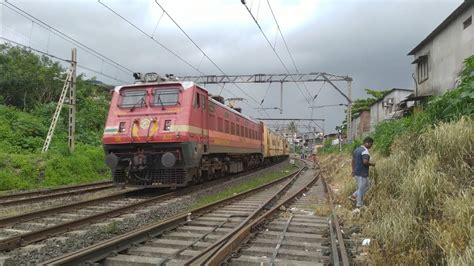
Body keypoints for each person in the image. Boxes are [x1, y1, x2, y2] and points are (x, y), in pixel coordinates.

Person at [349, 137, 375, 209]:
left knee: (367, 186)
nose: (371, 146)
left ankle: (354, 195)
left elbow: (353, 161)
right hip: (362, 173)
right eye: (371, 144)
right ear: (367, 143)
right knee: (361, 188)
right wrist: (372, 164)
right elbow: (365, 162)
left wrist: (353, 170)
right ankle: (359, 205)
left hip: (357, 172)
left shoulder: (357, 150)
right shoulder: (365, 151)